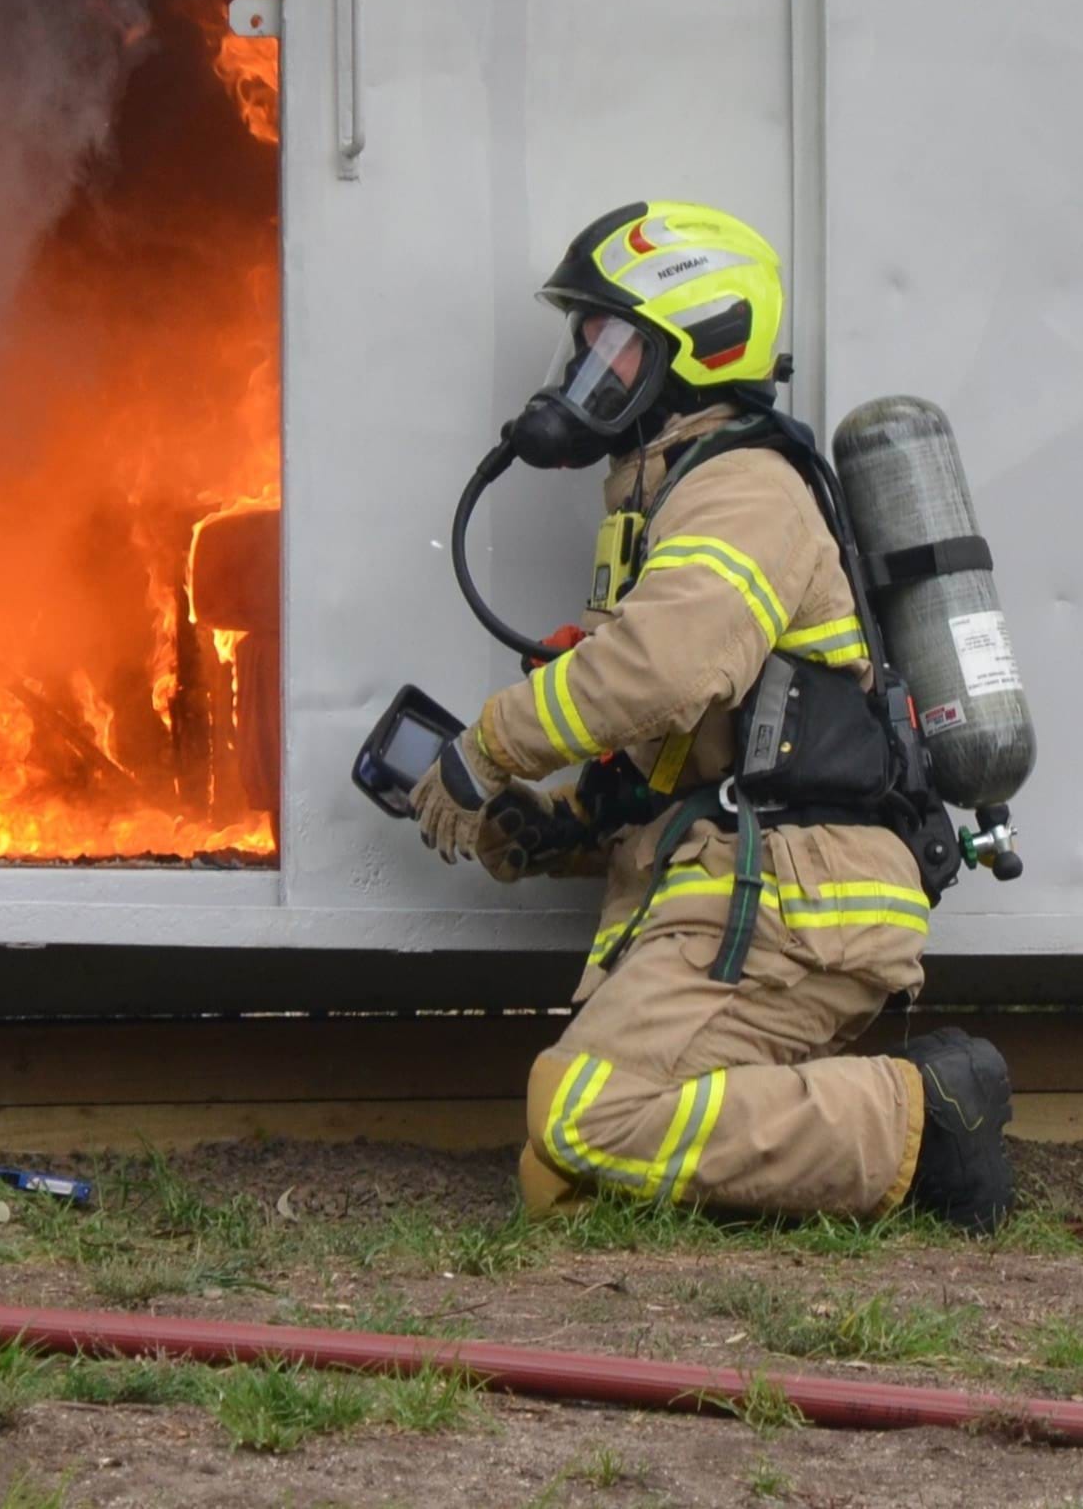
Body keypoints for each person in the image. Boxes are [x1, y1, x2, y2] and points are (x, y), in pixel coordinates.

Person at [411, 203, 1014, 1229]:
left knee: (587, 1114)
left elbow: (665, 668)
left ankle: (926, 1116)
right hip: (743, 882)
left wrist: (488, 747)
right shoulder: (673, 501)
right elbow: (674, 753)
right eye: (585, 349)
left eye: (611, 347)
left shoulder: (743, 489)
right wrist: (558, 827)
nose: (583, 377)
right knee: (557, 1176)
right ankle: (865, 1120)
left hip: (792, 895)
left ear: (697, 347)